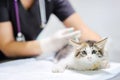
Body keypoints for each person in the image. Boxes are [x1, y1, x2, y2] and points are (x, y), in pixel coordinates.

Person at [0, 0, 101, 60]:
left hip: (25, 61)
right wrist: (48, 45)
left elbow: (82, 31)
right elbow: (6, 46)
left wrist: (100, 48)